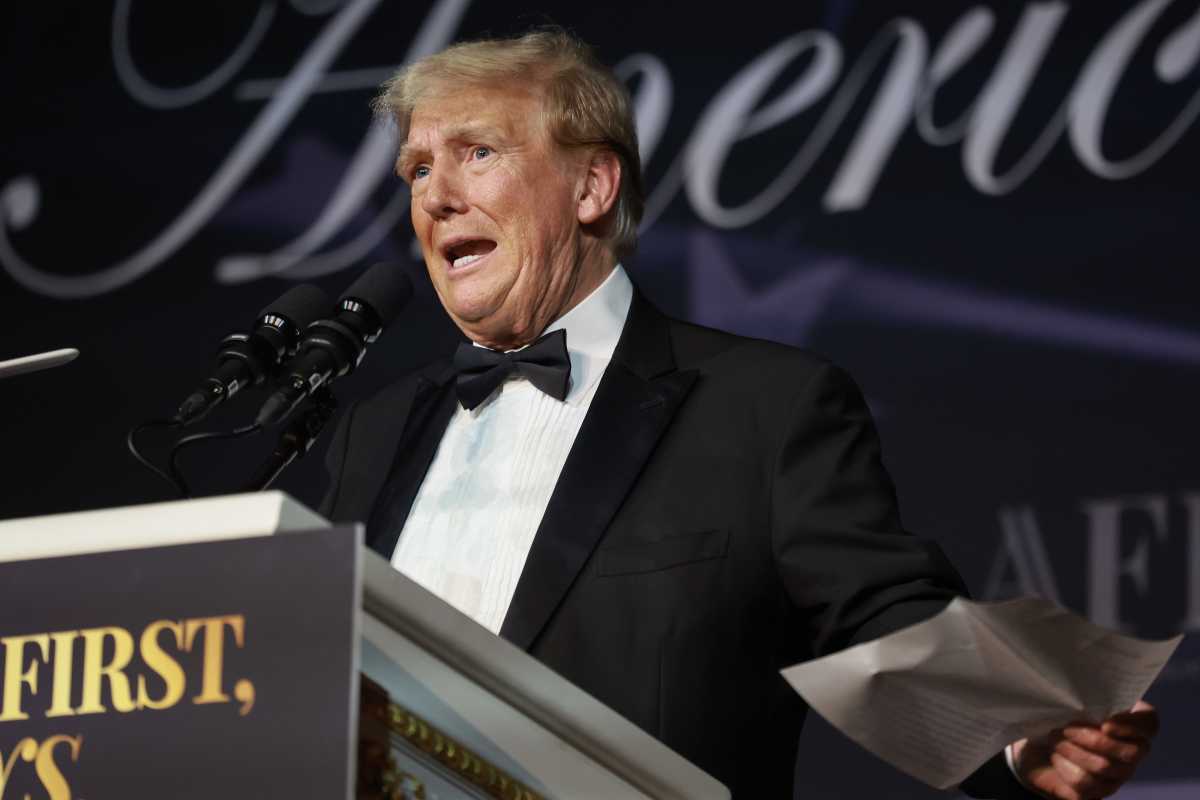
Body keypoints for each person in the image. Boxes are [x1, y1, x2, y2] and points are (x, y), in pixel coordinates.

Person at [319, 28, 1159, 799]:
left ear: (591, 186)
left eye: (478, 152)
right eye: (419, 170)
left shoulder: (761, 409)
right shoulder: (371, 433)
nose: (435, 197)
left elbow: (881, 617)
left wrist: (1017, 732)